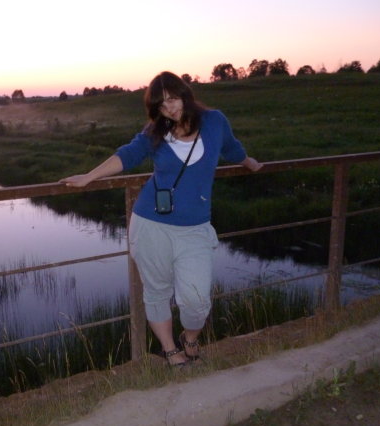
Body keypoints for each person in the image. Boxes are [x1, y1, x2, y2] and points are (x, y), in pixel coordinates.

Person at [60, 71, 262, 366]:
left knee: (196, 298)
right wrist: (89, 176)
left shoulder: (214, 121)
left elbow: (232, 148)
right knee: (156, 292)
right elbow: (128, 154)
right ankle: (169, 350)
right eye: (161, 105)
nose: (170, 108)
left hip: (195, 228)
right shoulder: (155, 132)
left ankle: (189, 338)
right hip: (150, 225)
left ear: (185, 94)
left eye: (173, 99)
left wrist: (250, 163)